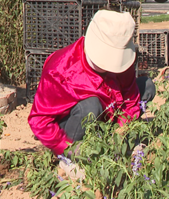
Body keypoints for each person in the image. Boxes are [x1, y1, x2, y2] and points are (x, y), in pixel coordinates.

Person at [28, 10, 156, 158]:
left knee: (147, 86)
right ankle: (75, 154)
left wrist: (121, 130)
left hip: (108, 114)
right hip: (73, 123)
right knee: (90, 106)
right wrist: (65, 147)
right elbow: (39, 120)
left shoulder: (123, 66)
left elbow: (130, 95)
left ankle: (109, 139)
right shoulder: (60, 69)